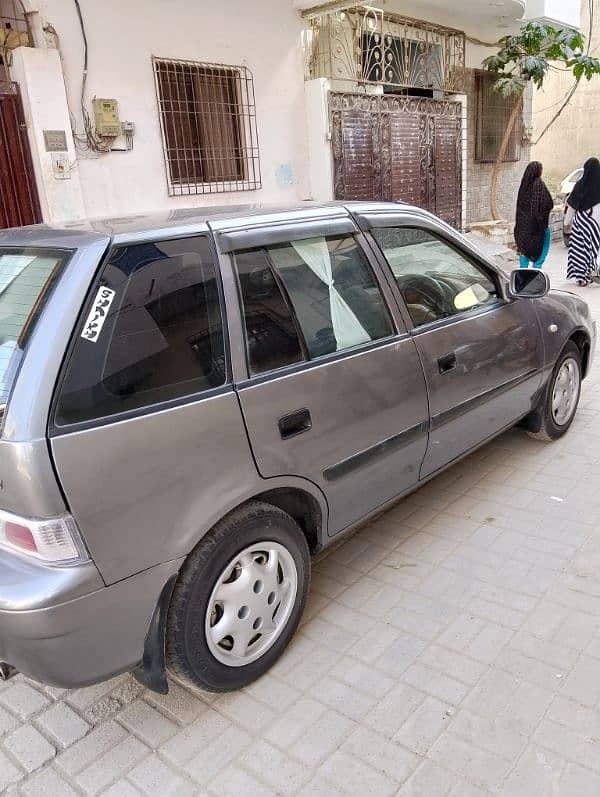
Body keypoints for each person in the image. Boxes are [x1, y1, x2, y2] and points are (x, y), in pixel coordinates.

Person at [566, 157, 600, 287]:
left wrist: (567, 222)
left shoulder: (580, 184)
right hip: (595, 224)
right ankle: (590, 271)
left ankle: (581, 278)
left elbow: (572, 206)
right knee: (591, 250)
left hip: (581, 222)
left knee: (579, 249)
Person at [514, 161, 554, 269]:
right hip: (537, 227)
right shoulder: (538, 184)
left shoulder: (524, 185)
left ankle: (523, 275)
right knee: (542, 252)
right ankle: (536, 271)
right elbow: (548, 202)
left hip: (522, 228)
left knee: (523, 251)